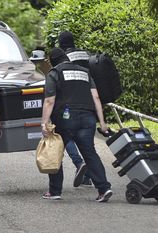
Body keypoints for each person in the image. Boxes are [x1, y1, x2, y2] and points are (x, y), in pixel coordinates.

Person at [41, 47, 113, 202]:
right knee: (90, 153)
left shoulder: (54, 73)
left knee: (56, 152)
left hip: (65, 119)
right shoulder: (84, 72)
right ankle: (104, 189)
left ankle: (55, 191)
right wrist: (102, 121)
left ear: (53, 62)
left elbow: (49, 101)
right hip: (87, 118)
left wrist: (44, 123)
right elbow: (96, 97)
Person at [58, 31, 93, 187]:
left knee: (67, 135)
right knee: (86, 140)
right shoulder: (85, 54)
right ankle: (88, 176)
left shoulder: (64, 58)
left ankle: (79, 164)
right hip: (88, 101)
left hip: (70, 103)